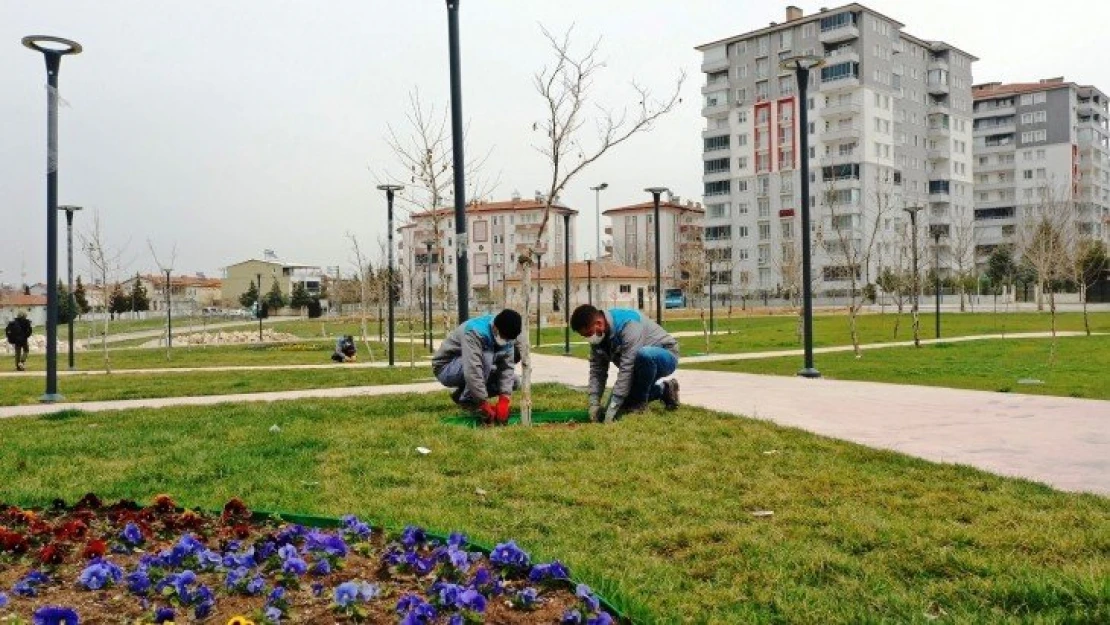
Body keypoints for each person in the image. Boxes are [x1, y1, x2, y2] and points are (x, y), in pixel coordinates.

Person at [569, 304, 680, 423]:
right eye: (585, 336)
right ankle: (665, 390)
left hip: (664, 355)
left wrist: (615, 402)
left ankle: (639, 405)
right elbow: (597, 371)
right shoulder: (598, 336)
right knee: (621, 404)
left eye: (588, 334)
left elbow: (627, 367)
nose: (589, 339)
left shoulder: (628, 324)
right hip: (637, 366)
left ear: (599, 323)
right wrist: (594, 403)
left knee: (644, 355)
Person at [432, 309, 522, 424]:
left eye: (508, 339)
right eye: (504, 337)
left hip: (472, 367)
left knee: (514, 381)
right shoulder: (475, 331)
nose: (505, 341)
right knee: (486, 357)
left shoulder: (508, 337)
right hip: (446, 368)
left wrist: (504, 400)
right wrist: (482, 403)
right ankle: (469, 401)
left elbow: (506, 368)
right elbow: (473, 369)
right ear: (496, 328)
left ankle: (462, 395)